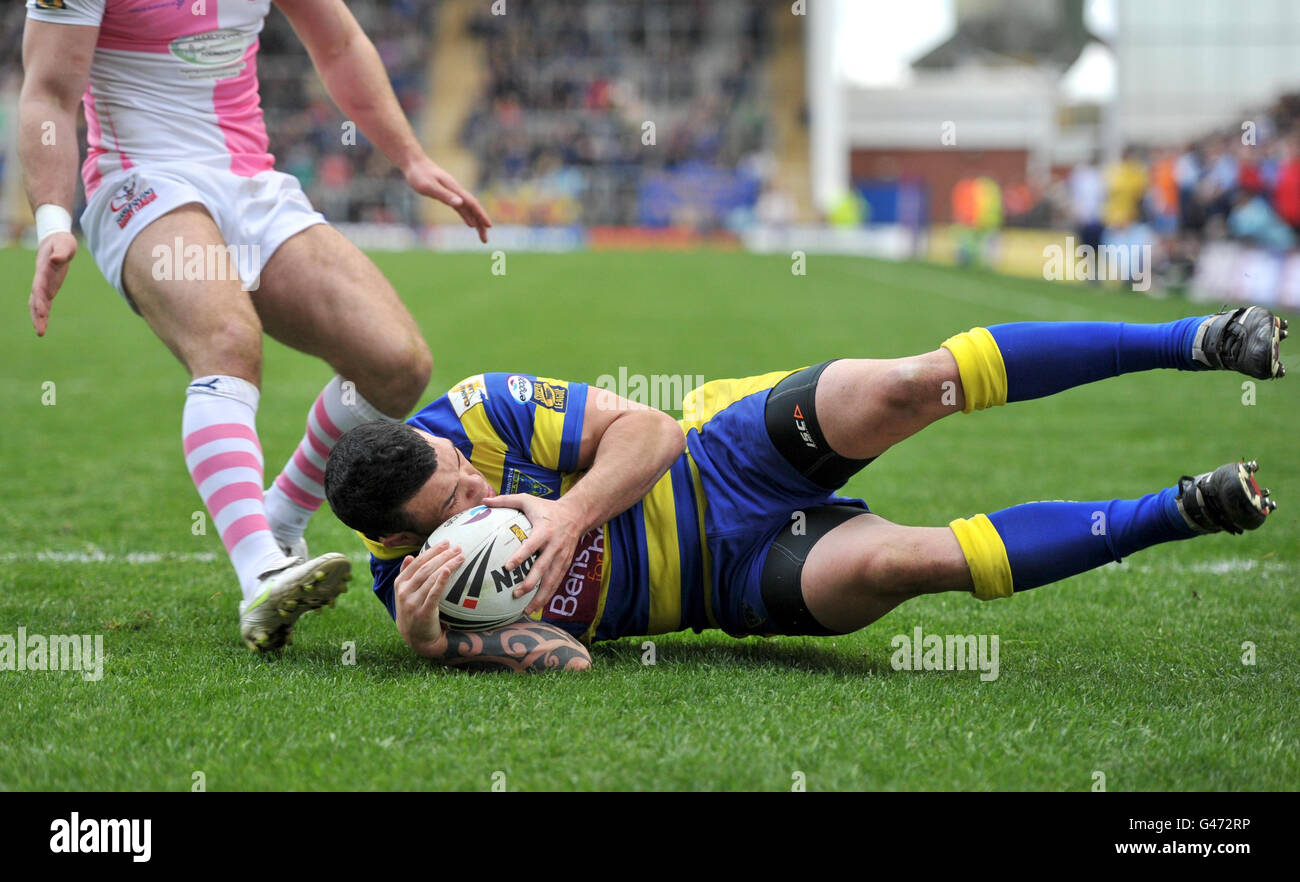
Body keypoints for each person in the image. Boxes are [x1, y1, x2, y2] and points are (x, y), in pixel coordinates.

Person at [323, 308, 1287, 672]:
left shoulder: (479, 412)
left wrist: (570, 515)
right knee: (920, 561)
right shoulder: (416, 588)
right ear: (400, 540)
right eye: (448, 513)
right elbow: (568, 665)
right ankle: (1183, 509)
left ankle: (1195, 340)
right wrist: (438, 645)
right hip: (730, 581)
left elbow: (651, 431)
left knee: (913, 385)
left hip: (722, 454)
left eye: (462, 482)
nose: (473, 500)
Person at [20, 0, 492, 651]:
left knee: (396, 363)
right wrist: (50, 220)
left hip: (251, 186)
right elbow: (47, 91)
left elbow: (339, 42)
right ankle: (263, 573)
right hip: (142, 183)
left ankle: (281, 518)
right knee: (227, 344)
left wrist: (409, 157)